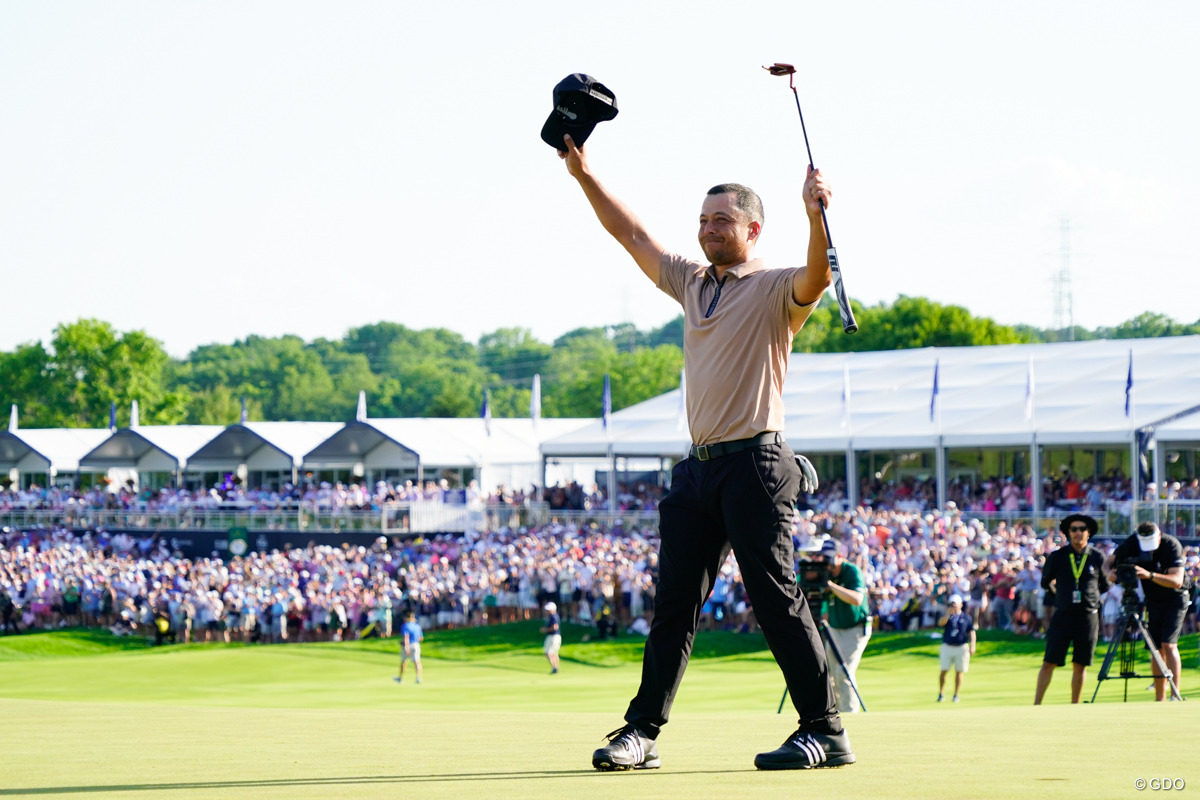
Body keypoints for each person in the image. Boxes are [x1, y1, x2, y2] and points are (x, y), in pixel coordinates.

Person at [557, 130, 851, 772]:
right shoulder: (693, 282)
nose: (709, 229)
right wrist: (584, 174)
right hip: (698, 469)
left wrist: (814, 213)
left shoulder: (776, 288)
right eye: (702, 220)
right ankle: (642, 733)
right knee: (673, 606)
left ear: (752, 229)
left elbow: (820, 274)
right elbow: (632, 234)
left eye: (723, 220)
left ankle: (825, 731)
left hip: (757, 462)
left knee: (776, 597)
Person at [1103, 521, 1189, 701]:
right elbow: (1108, 563)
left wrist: (1148, 575)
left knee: (1169, 644)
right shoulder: (1132, 542)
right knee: (1156, 648)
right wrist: (1109, 574)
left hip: (1175, 597)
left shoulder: (1170, 544)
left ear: (1159, 535)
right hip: (1153, 599)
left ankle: (1175, 693)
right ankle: (1160, 698)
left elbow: (1177, 580)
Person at [1034, 514, 1108, 704]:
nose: (1078, 533)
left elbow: (1105, 584)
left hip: (1087, 616)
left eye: (1082, 529)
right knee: (1049, 661)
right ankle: (1036, 705)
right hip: (1063, 615)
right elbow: (1045, 582)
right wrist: (1058, 597)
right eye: (1073, 529)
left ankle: (1074, 706)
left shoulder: (1097, 556)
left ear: (1088, 532)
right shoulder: (1058, 556)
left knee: (1081, 664)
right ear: (1068, 533)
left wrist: (1092, 598)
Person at [819, 539, 871, 713]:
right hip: (833, 628)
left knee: (844, 673)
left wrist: (831, 587)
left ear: (840, 556)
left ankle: (850, 714)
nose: (826, 562)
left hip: (855, 629)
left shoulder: (851, 571)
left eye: (829, 558)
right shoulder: (824, 573)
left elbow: (857, 599)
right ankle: (835, 715)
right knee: (831, 676)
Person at [937, 595, 976, 702]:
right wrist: (947, 614)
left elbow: (971, 631)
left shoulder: (966, 617)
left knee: (959, 671)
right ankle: (941, 694)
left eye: (955, 604)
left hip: (961, 647)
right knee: (944, 670)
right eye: (951, 604)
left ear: (961, 605)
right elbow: (940, 623)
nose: (953, 606)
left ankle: (956, 695)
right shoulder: (948, 616)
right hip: (947, 646)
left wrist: (973, 645)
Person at [396, 611, 423, 684]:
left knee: (403, 661)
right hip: (416, 645)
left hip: (407, 645)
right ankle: (418, 678)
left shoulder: (405, 626)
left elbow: (406, 637)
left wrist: (406, 646)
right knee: (417, 661)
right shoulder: (417, 626)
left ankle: (400, 678)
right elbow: (421, 638)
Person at [541, 601, 562, 674]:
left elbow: (555, 627)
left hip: (553, 636)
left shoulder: (553, 616)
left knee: (548, 653)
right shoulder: (552, 616)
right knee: (554, 653)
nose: (547, 611)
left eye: (548, 610)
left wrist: (545, 630)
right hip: (555, 636)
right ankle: (556, 667)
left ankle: (555, 667)